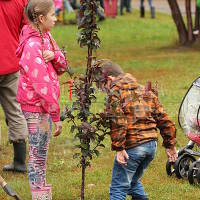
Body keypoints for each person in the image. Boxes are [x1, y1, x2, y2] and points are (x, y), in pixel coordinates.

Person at [93, 60, 177, 200]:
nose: (104, 90)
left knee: (118, 188)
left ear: (109, 79)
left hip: (133, 147)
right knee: (132, 183)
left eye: (102, 86)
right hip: (151, 146)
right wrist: (170, 145)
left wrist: (119, 148)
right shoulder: (145, 91)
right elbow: (163, 119)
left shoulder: (116, 94)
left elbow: (118, 121)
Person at [16, 0, 69, 198]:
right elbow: (42, 86)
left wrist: (54, 55)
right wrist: (55, 115)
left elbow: (63, 67)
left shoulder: (47, 38)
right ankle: (39, 195)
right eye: (53, 15)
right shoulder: (31, 45)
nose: (55, 18)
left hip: (44, 107)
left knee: (41, 153)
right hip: (35, 108)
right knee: (37, 154)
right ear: (41, 18)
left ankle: (41, 192)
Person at [0, 0, 28, 173]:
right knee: (15, 110)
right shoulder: (21, 1)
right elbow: (27, 29)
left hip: (11, 63)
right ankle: (19, 162)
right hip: (11, 62)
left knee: (15, 111)